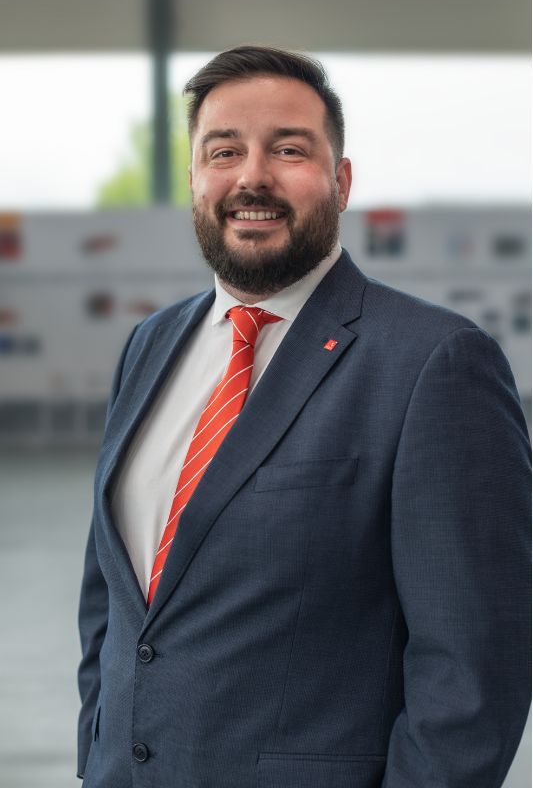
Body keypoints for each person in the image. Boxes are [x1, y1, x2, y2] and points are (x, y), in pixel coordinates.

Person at [77, 46, 531, 788]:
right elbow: (112, 599)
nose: (251, 176)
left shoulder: (435, 363)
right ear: (195, 179)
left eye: (288, 149)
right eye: (223, 150)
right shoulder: (150, 344)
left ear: (340, 181)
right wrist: (94, 754)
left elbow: (472, 666)